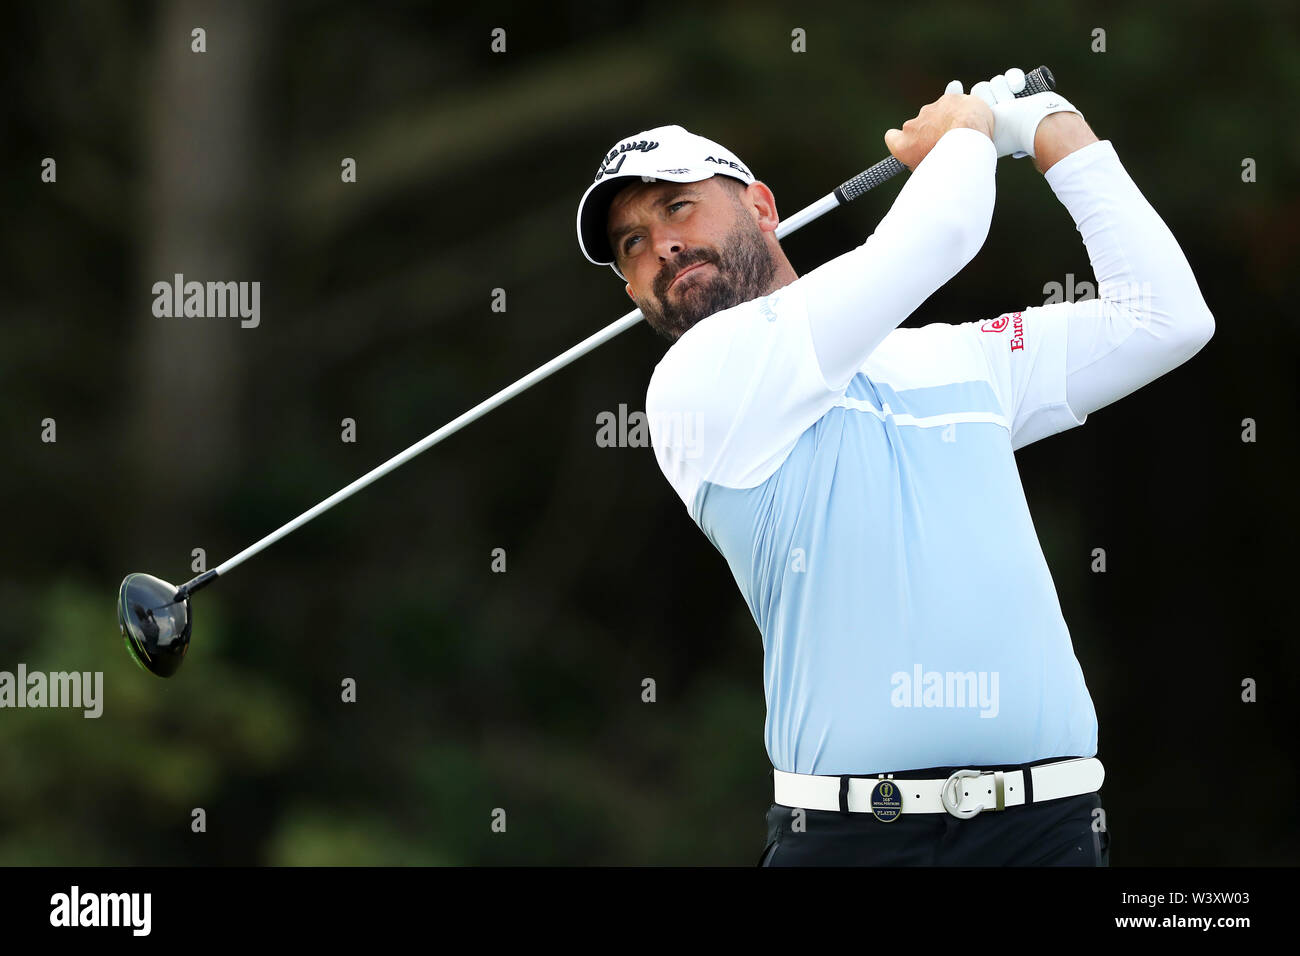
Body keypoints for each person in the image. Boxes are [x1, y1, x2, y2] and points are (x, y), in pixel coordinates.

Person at [574, 68, 1214, 865]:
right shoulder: (695, 387)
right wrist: (972, 124)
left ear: (763, 207)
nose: (661, 245)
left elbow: (1167, 320)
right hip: (852, 842)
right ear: (634, 287)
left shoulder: (953, 358)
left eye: (677, 206)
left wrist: (1050, 126)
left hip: (1047, 831)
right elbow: (938, 235)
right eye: (631, 244)